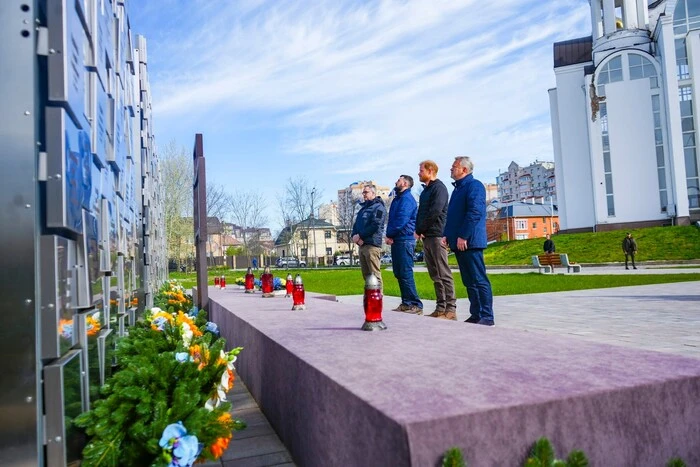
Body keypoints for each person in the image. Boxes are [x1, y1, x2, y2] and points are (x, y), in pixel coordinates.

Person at [443, 156, 495, 326]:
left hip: (470, 241)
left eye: (454, 166)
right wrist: (446, 235)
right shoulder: (458, 189)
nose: (451, 169)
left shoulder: (475, 186)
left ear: (464, 169)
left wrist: (464, 235)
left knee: (478, 279)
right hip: (459, 242)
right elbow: (453, 216)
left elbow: (475, 212)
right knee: (469, 281)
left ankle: (487, 316)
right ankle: (476, 314)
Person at [415, 160, 456, 320]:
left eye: (421, 170)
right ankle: (440, 308)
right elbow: (421, 213)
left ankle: (451, 309)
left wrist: (420, 229)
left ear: (430, 170)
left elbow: (435, 211)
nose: (419, 173)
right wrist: (419, 230)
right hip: (427, 237)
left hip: (437, 236)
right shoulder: (425, 191)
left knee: (443, 273)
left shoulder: (439, 188)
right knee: (434, 275)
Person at [386, 175, 423, 314]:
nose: (396, 181)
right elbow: (392, 220)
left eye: (399, 180)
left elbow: (401, 220)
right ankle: (406, 303)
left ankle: (416, 304)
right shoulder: (398, 199)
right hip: (398, 239)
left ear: (406, 183)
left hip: (405, 239)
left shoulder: (407, 200)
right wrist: (390, 235)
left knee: (405, 272)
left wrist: (389, 234)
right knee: (399, 273)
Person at [351, 185, 387, 290]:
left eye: (366, 192)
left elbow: (376, 225)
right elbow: (356, 225)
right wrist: (354, 236)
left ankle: (378, 296)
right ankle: (369, 296)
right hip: (362, 245)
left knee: (374, 274)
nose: (364, 195)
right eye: (363, 192)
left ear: (373, 193)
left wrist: (360, 236)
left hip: (372, 245)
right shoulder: (363, 209)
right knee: (366, 275)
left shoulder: (379, 208)